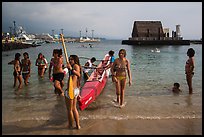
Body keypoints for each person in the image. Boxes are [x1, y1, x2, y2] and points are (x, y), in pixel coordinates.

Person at [64, 55, 81, 129]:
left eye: (71, 59)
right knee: (74, 108)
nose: (70, 60)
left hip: (72, 90)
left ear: (75, 60)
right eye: (69, 59)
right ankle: (77, 125)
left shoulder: (75, 66)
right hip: (75, 90)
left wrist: (71, 69)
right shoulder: (74, 66)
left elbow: (78, 74)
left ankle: (71, 125)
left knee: (69, 109)